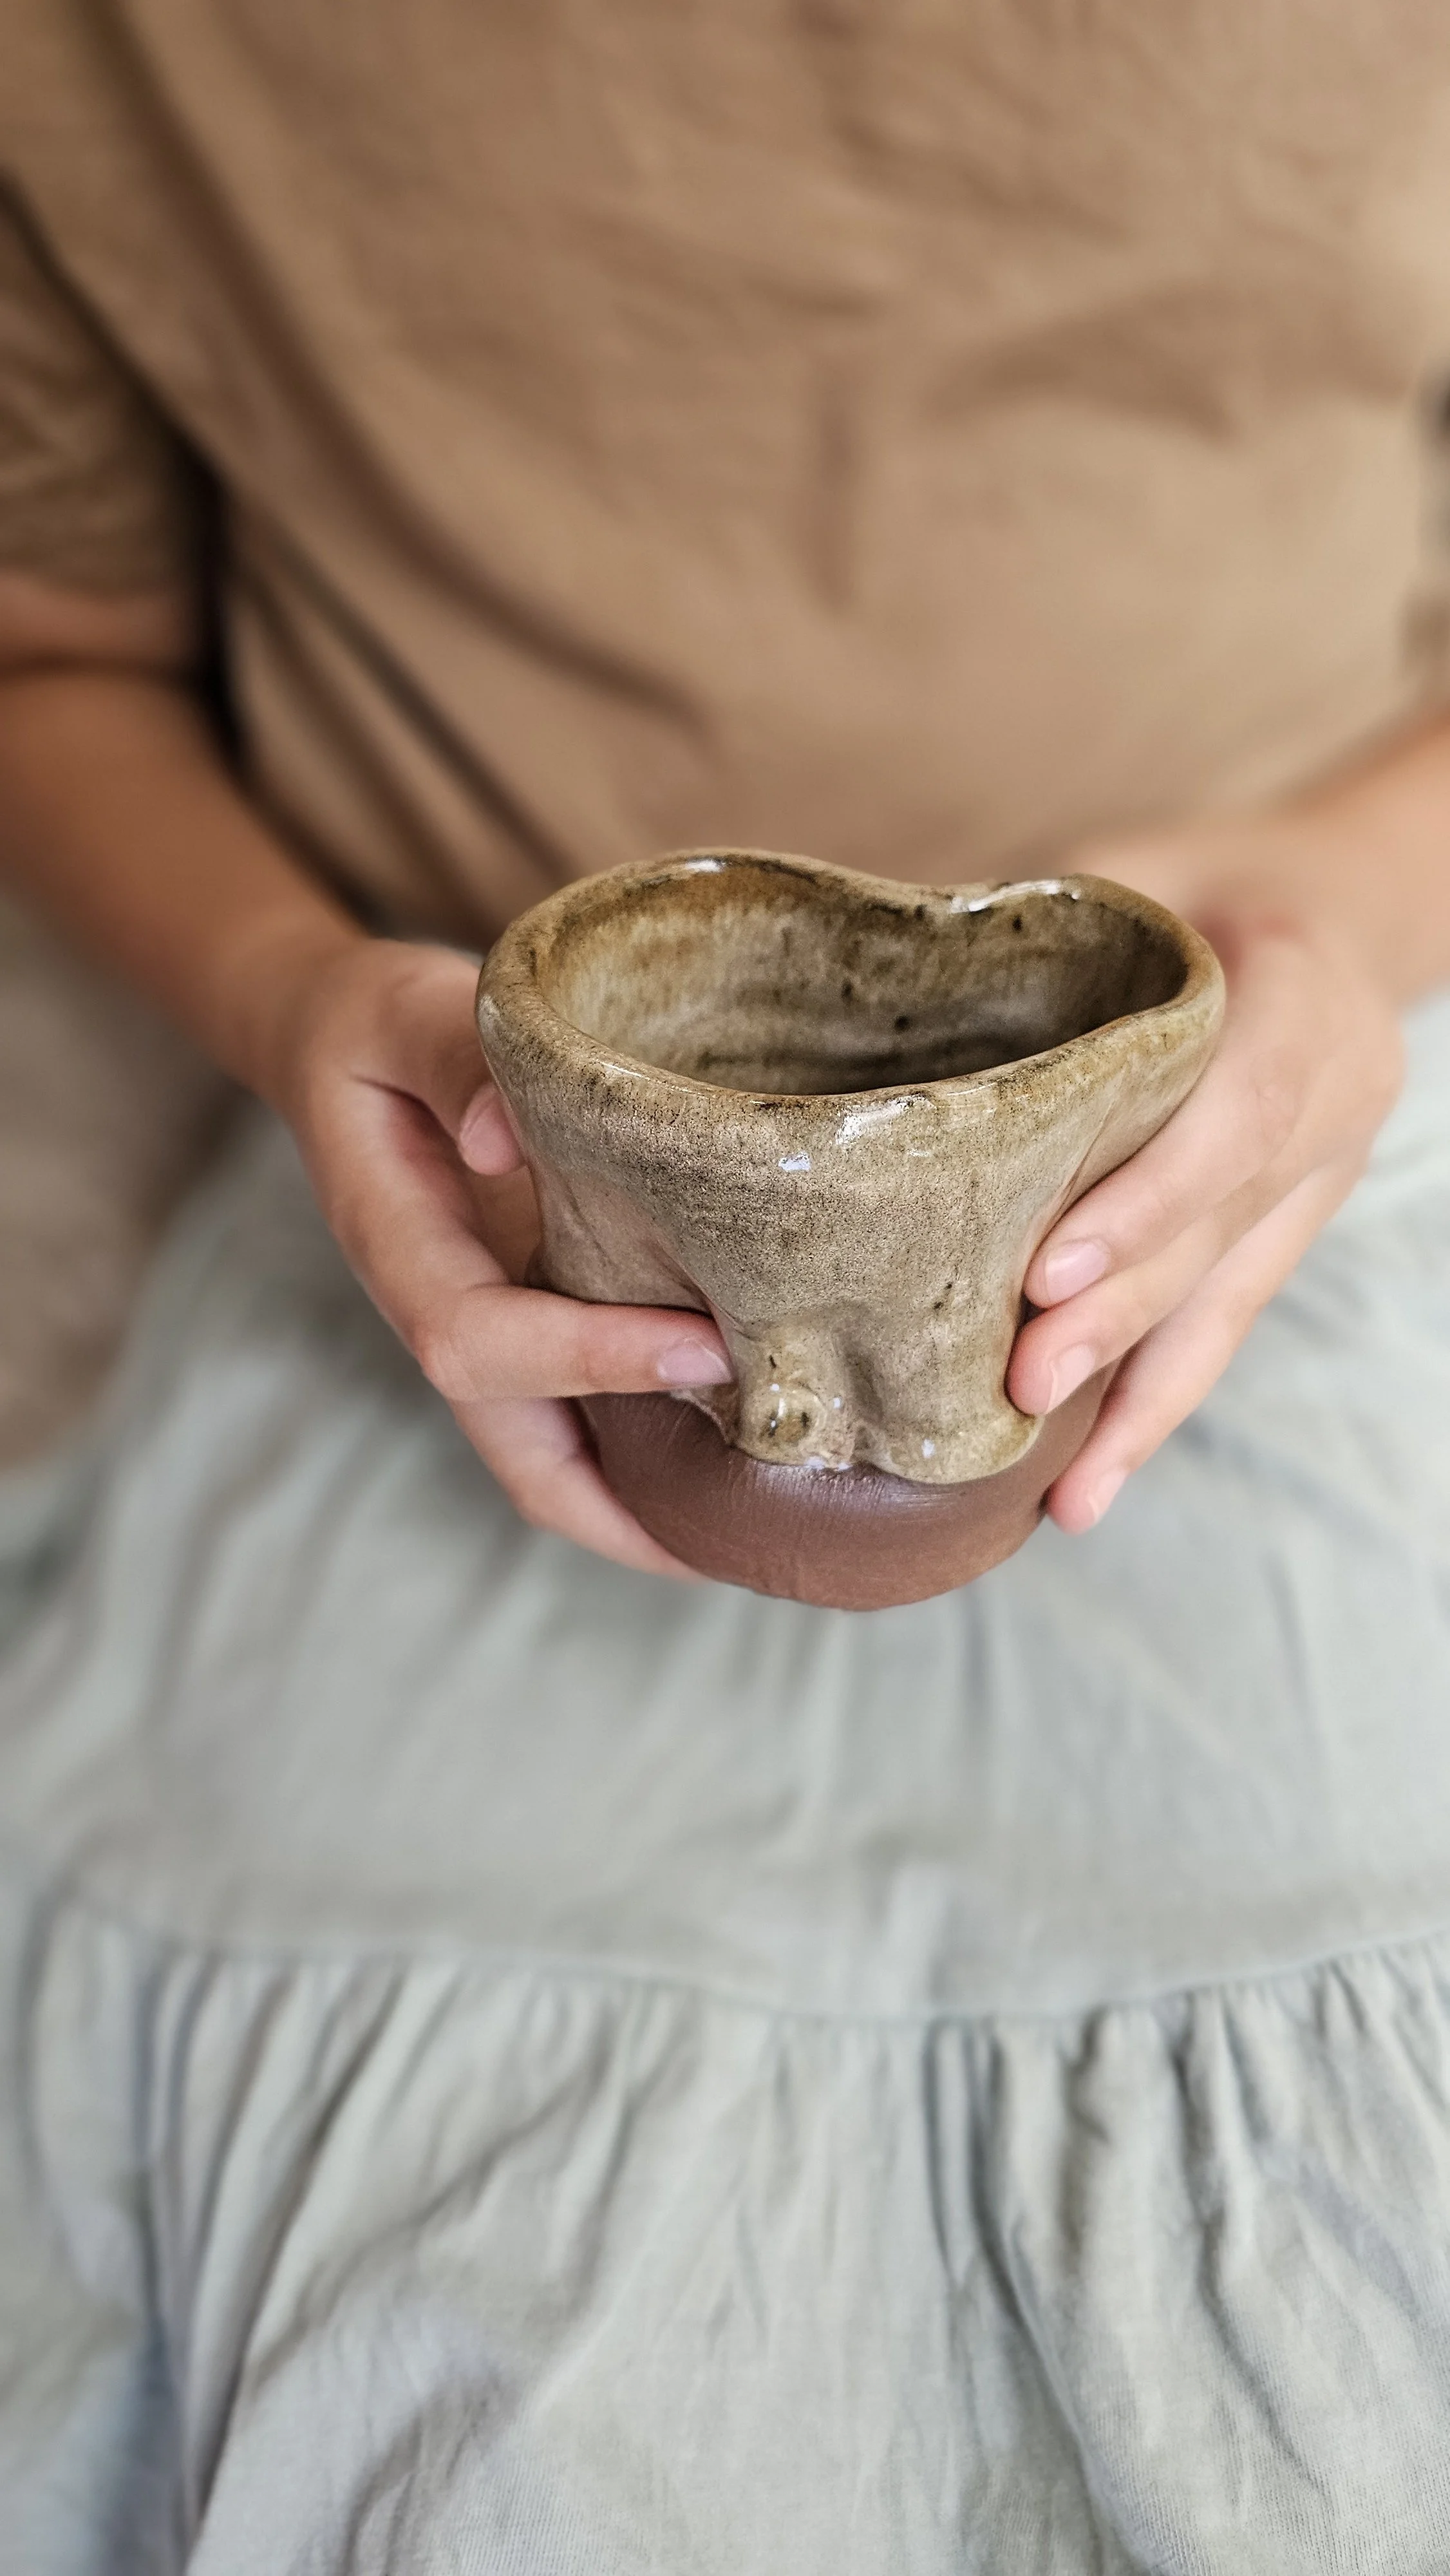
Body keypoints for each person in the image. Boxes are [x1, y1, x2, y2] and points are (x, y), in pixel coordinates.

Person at [1, 8, 1448, 2568]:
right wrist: (283, 1000)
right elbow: (52, 644)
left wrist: (1349, 916)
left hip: (1296, 1120)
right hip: (439, 1183)